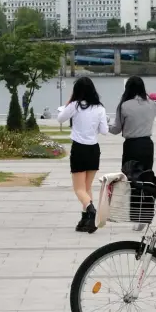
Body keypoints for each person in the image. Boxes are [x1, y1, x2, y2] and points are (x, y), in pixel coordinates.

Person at [57, 77, 108, 234]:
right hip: (93, 149)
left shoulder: (75, 106)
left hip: (79, 149)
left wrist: (69, 102)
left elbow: (60, 118)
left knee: (78, 189)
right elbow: (105, 131)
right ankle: (87, 221)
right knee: (86, 188)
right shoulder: (100, 108)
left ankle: (91, 211)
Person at [110, 76, 156, 170]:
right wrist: (152, 99)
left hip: (131, 146)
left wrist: (106, 124)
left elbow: (116, 130)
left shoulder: (124, 106)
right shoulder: (151, 104)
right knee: (146, 176)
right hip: (147, 145)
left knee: (129, 177)